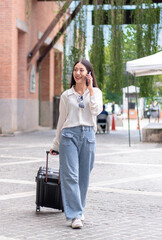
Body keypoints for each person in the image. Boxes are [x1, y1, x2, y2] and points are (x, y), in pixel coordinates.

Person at [50, 59, 103, 229]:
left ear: (88, 73)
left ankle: (78, 209)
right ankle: (75, 215)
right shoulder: (66, 95)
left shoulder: (96, 92)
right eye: (75, 70)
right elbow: (61, 120)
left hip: (88, 135)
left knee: (84, 177)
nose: (77, 73)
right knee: (70, 176)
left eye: (81, 70)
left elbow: (96, 111)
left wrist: (90, 91)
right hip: (69, 136)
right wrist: (55, 144)